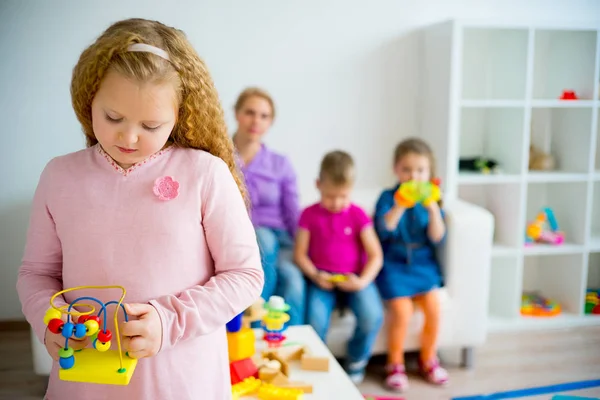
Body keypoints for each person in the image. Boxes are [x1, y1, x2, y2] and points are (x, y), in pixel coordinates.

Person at [16, 18, 263, 399]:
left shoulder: (205, 174)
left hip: (182, 381)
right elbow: (36, 273)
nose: (128, 137)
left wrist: (170, 321)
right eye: (113, 118)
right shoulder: (59, 176)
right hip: (83, 383)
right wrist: (50, 319)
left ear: (179, 116)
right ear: (90, 100)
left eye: (151, 124)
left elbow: (245, 274)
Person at [294, 150, 384, 383]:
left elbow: (376, 255)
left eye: (343, 196)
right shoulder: (308, 215)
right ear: (318, 185)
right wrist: (315, 275)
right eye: (330, 196)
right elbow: (300, 254)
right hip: (321, 280)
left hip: (354, 279)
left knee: (372, 315)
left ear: (351, 190)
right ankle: (320, 362)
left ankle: (355, 360)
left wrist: (362, 281)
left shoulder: (358, 215)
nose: (336, 203)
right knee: (314, 320)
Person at [374, 138, 449, 392]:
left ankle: (428, 358)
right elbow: (384, 230)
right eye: (407, 170)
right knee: (402, 311)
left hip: (423, 265)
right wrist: (398, 206)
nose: (413, 177)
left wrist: (433, 211)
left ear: (429, 174)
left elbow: (438, 236)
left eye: (420, 171)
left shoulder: (433, 200)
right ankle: (395, 364)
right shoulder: (387, 197)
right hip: (394, 266)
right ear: (396, 169)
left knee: (433, 307)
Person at [232, 87, 306, 325]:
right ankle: (253, 326)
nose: (256, 121)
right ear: (237, 114)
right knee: (262, 238)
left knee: (293, 279)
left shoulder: (280, 163)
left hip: (280, 240)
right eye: (250, 112)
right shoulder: (219, 156)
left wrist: (303, 250)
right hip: (238, 239)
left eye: (264, 116)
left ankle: (293, 344)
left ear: (270, 122)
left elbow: (292, 211)